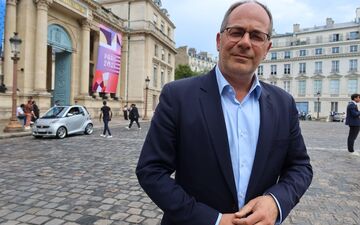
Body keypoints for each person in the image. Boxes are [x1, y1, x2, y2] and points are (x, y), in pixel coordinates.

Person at [136, 1, 313, 225]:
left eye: (257, 36)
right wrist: (214, 220)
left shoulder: (283, 103)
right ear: (219, 40)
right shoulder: (177, 96)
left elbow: (300, 167)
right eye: (236, 32)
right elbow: (150, 170)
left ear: (267, 49)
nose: (245, 42)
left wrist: (275, 202)